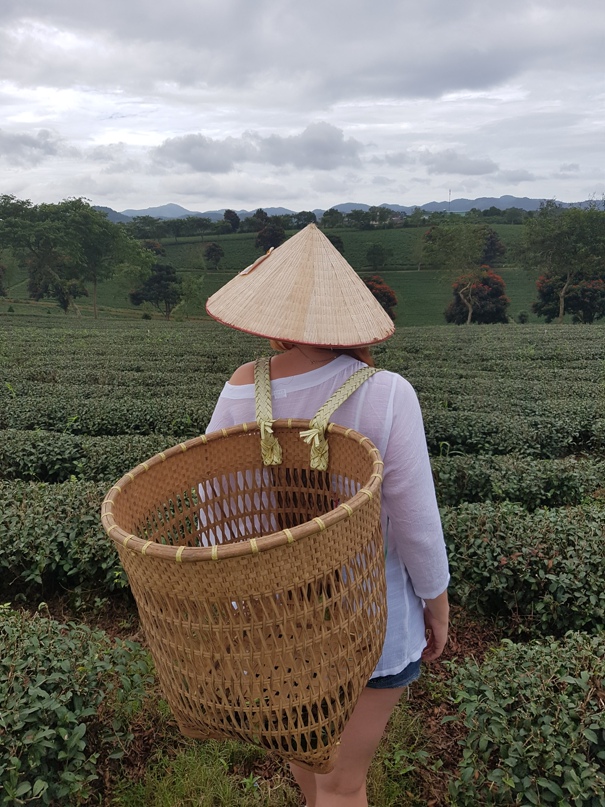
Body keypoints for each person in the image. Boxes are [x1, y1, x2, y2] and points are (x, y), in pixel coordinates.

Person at [205, 223, 450, 807]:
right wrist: (436, 603)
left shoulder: (243, 387)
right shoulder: (387, 392)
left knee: (315, 777)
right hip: (373, 620)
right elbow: (414, 520)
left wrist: (242, 610)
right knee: (346, 784)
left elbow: (217, 508)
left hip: (278, 622)